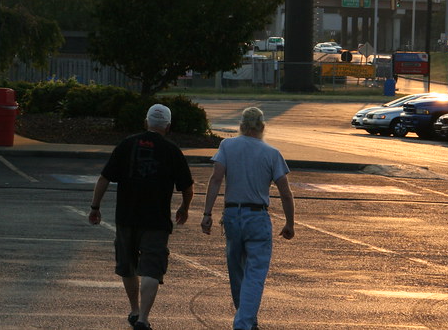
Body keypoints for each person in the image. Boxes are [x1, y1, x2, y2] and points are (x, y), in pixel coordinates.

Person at [89, 103, 194, 330]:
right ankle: (144, 319)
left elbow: (104, 178)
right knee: (151, 268)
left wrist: (95, 207)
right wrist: (185, 208)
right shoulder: (172, 150)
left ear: (146, 122)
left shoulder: (127, 144)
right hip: (156, 220)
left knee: (127, 265)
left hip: (126, 217)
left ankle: (135, 310)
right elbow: (187, 186)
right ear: (168, 126)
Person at [200, 107, 295, 330]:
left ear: (241, 126)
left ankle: (246, 318)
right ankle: (244, 322)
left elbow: (215, 180)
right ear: (262, 127)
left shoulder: (227, 146)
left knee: (236, 271)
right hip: (257, 217)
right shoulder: (272, 153)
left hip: (232, 215)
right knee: (255, 273)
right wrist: (289, 222)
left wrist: (207, 214)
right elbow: (285, 192)